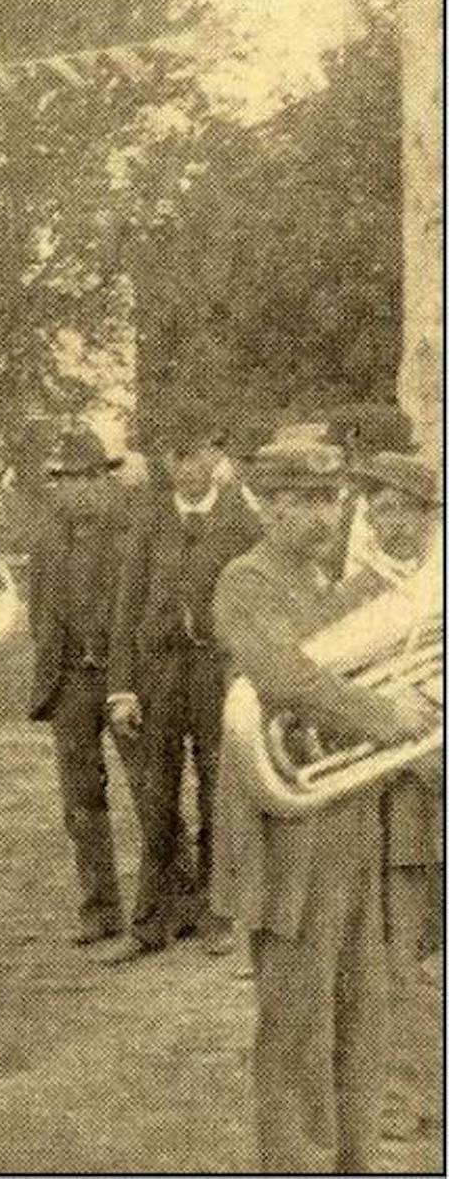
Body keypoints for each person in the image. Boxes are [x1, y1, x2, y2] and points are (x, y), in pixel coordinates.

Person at [213, 437, 434, 1172]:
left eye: (332, 498)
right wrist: (383, 715)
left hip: (351, 825)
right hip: (289, 833)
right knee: (297, 1026)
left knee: (361, 1016)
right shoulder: (246, 581)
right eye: (304, 499)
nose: (325, 513)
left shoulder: (327, 586)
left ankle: (356, 1161)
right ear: (267, 505)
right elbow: (287, 678)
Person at [102, 421, 259, 962]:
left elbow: (259, 605)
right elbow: (126, 611)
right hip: (160, 676)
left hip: (217, 676)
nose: (183, 467)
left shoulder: (243, 522)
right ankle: (149, 922)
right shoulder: (150, 523)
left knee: (219, 791)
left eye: (193, 455)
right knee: (157, 797)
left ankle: (216, 915)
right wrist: (122, 689)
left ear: (217, 454)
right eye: (173, 457)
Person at [344, 449, 443, 1143]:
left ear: (428, 514)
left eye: (397, 508)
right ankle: (409, 1094)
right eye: (374, 511)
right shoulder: (356, 593)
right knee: (398, 952)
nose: (384, 522)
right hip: (404, 799)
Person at [26, 426, 135, 945]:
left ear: (101, 479)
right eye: (61, 481)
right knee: (80, 800)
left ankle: (173, 898)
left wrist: (128, 677)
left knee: (149, 789)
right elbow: (39, 612)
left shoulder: (130, 535)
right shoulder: (46, 540)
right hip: (70, 682)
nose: (70, 490)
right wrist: (48, 672)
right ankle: (100, 906)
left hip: (123, 680)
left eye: (81, 479)